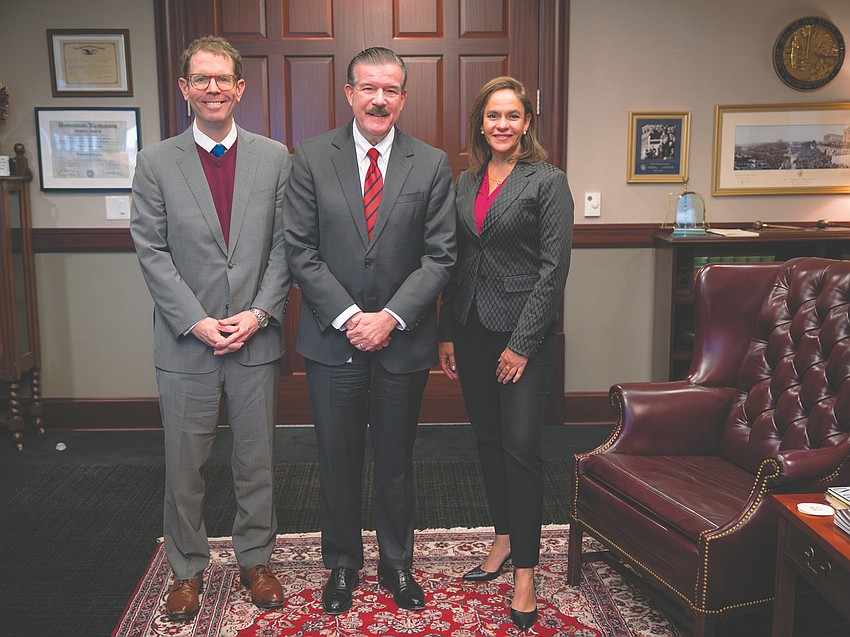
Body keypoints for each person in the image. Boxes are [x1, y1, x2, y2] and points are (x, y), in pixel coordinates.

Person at [283, 47, 456, 615]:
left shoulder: (429, 163)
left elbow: (439, 256)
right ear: (349, 94)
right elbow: (300, 250)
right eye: (368, 88)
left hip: (402, 341)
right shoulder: (309, 158)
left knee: (396, 459)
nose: (379, 99)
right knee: (336, 458)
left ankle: (396, 563)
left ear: (403, 98)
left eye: (390, 90)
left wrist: (389, 318)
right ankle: (341, 565)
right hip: (334, 342)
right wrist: (351, 318)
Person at [130, 35, 292, 622]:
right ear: (185, 89)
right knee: (185, 463)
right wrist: (196, 321)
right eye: (202, 79)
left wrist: (257, 313)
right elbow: (150, 250)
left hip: (256, 336)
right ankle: (187, 570)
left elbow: (286, 248)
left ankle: (256, 559)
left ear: (240, 88)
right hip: (186, 343)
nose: (214, 88)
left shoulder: (275, 158)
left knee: (256, 460)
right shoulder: (155, 162)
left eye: (224, 79)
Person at [437, 76, 573, 632]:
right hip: (469, 331)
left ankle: (525, 572)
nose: (501, 125)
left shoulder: (548, 182)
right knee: (488, 441)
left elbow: (554, 269)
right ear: (480, 122)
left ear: (527, 124)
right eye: (493, 116)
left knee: (520, 447)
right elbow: (453, 260)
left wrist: (522, 343)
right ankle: (500, 538)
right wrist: (446, 331)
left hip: (523, 336)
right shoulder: (464, 181)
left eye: (512, 116)